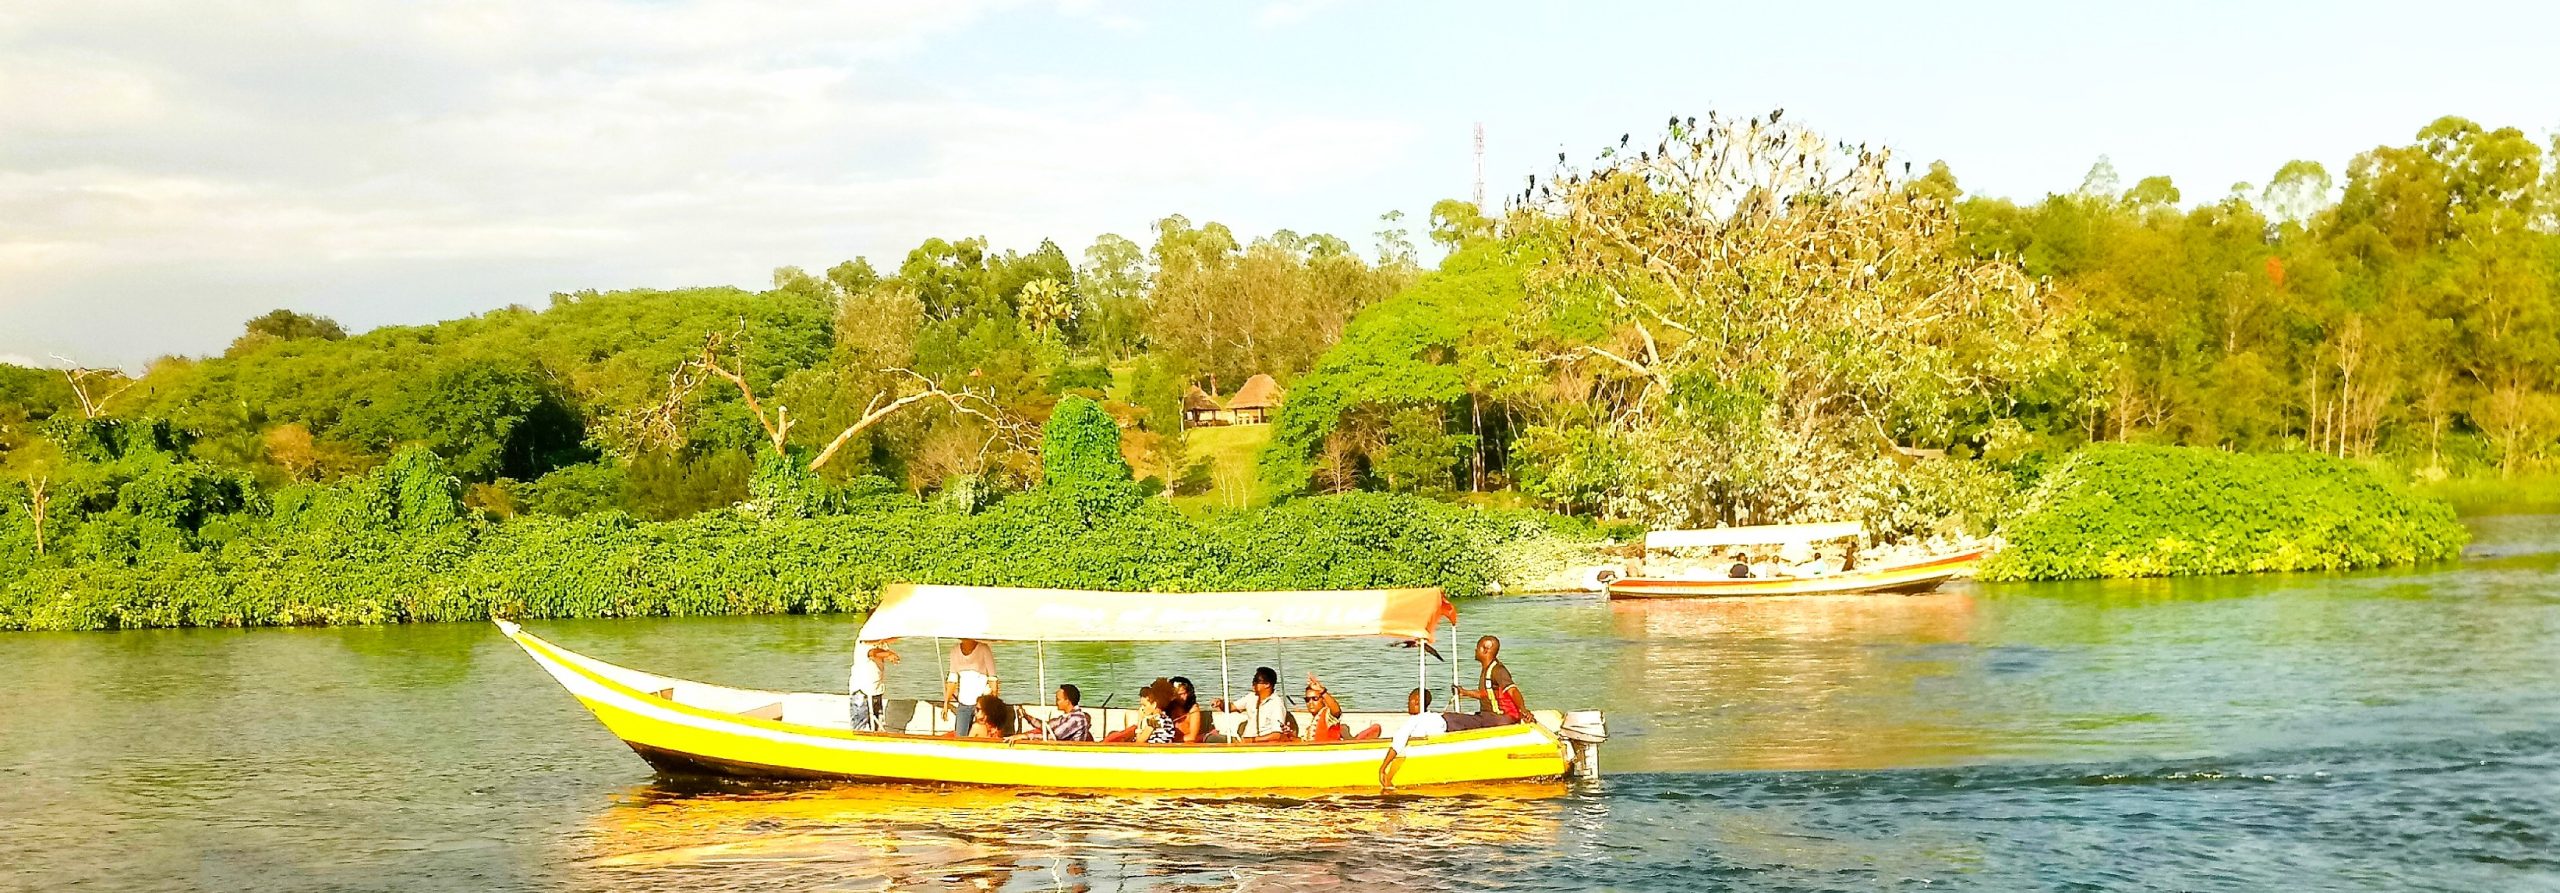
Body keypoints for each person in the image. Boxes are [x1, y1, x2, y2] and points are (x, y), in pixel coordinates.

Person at [1377, 689, 1506, 791]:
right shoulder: (1424, 717)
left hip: (1449, 723)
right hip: (1448, 721)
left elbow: (1398, 744)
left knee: (1481, 722)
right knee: (1480, 722)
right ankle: (1504, 721)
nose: (1407, 705)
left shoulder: (1413, 721)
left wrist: (1383, 768)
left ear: (1416, 701)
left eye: (1409, 701)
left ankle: (1505, 722)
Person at [1454, 635, 1526, 725]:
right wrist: (1464, 692)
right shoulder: (1487, 669)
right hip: (1489, 716)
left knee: (1451, 719)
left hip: (1499, 718)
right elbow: (1484, 694)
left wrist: (1523, 710)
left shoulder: (1498, 670)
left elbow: (1513, 690)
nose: (1475, 650)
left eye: (1478, 648)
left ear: (1485, 650)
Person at [1217, 667, 1296, 743]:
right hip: (1245, 742)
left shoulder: (1276, 704)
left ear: (1267, 684)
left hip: (1261, 745)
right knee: (1214, 739)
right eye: (1253, 680)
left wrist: (1254, 740)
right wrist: (1221, 703)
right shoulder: (1251, 697)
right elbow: (1231, 707)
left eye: (1256, 681)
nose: (1253, 684)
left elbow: (1277, 734)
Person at [943, 638, 999, 738]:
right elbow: (952, 679)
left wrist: (994, 704)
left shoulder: (984, 649)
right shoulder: (955, 651)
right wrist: (946, 703)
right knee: (960, 737)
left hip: (982, 703)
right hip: (963, 703)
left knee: (980, 734)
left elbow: (992, 677)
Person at [1011, 684, 1092, 743]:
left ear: (1067, 701)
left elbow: (1053, 737)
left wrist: (1026, 736)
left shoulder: (1076, 718)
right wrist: (1027, 717)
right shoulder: (1066, 717)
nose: (1056, 702)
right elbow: (1046, 726)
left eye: (1058, 699)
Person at [847, 640, 898, 732]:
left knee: (877, 724)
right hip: (862, 691)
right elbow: (872, 653)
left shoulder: (880, 642)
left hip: (875, 690)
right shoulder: (864, 642)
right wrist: (888, 654)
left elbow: (890, 640)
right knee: (860, 725)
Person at [1167, 676, 1209, 743]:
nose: (1183, 697)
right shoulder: (1167, 708)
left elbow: (1192, 737)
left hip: (1187, 744)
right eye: (1179, 694)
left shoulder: (1193, 709)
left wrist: (1171, 741)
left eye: (1184, 693)